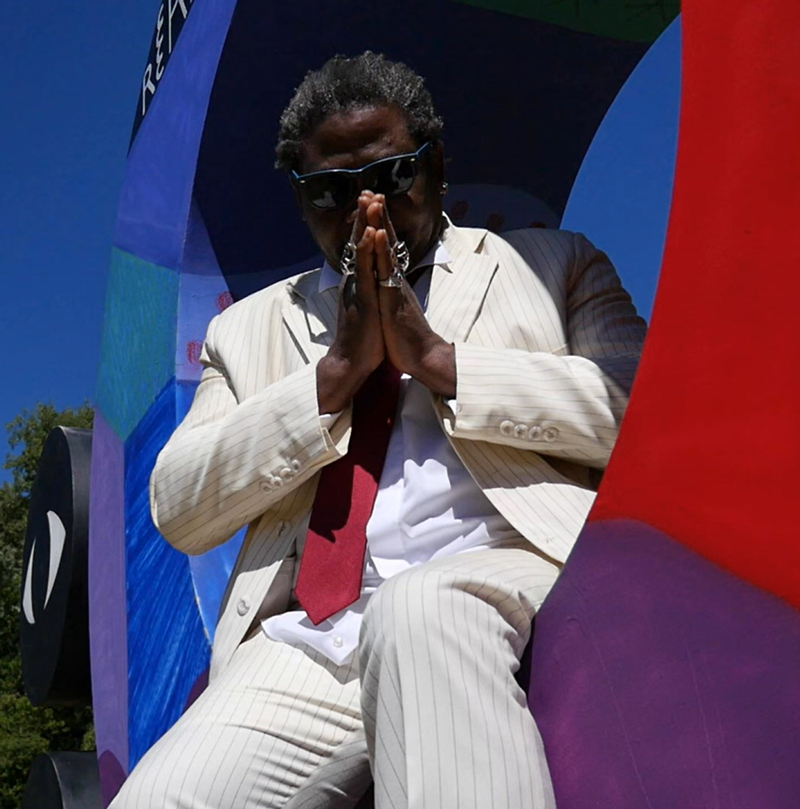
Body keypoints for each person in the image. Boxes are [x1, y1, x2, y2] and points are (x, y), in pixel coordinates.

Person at [113, 52, 646, 809]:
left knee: (419, 610)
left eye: (392, 175)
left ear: (437, 166)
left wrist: (440, 362)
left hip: (513, 577)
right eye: (330, 191)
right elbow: (177, 505)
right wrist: (332, 378)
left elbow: (645, 415)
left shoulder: (552, 266)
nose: (367, 204)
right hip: (313, 640)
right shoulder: (246, 330)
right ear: (300, 201)